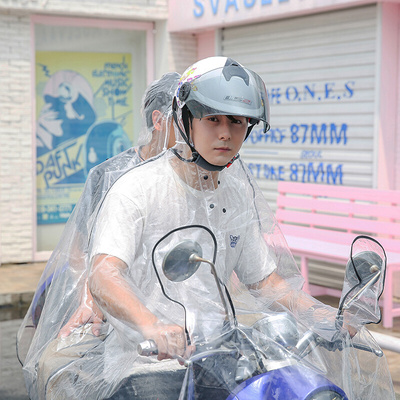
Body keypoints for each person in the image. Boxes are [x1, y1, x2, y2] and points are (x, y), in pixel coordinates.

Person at [23, 58, 394, 400]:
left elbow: (265, 282)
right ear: (185, 120)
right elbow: (104, 273)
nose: (225, 133)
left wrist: (326, 316)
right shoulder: (137, 188)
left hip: (223, 357)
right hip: (149, 363)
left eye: (237, 122)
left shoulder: (236, 191)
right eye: (213, 119)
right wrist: (152, 326)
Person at [17, 72, 181, 398]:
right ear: (158, 120)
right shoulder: (109, 175)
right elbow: (79, 252)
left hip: (173, 311)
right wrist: (95, 299)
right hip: (108, 305)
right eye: (186, 119)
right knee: (54, 367)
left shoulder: (192, 177)